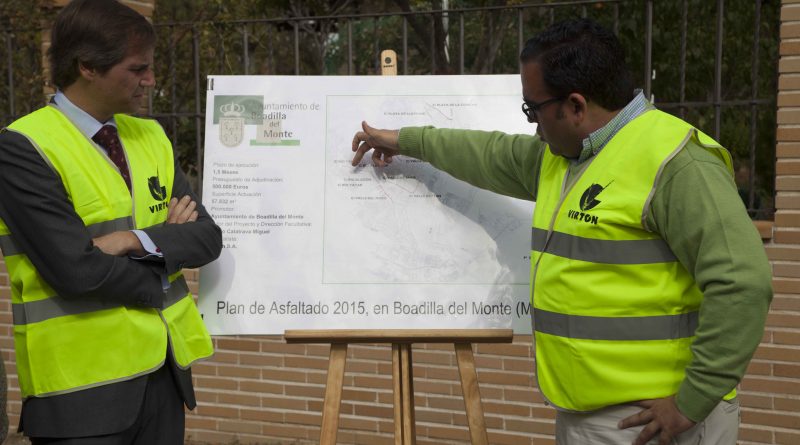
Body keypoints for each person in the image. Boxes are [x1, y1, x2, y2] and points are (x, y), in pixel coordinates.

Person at [351, 18, 772, 445]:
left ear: (575, 106)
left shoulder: (677, 163)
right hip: (593, 416)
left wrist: (691, 402)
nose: (533, 124)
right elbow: (486, 153)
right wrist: (404, 140)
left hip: (653, 421)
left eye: (533, 109)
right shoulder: (563, 157)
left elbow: (743, 283)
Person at [0, 0, 221, 443]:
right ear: (87, 67)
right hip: (81, 394)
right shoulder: (23, 147)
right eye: (137, 68)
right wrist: (164, 258)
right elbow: (75, 270)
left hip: (163, 379)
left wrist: (130, 240)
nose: (150, 80)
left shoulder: (150, 135)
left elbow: (206, 237)